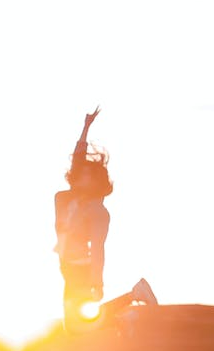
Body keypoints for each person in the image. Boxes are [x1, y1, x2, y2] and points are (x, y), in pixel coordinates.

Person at [54, 108, 156, 334]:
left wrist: (97, 282)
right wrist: (85, 127)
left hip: (80, 268)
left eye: (87, 175)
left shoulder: (97, 211)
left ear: (95, 181)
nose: (81, 176)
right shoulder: (66, 198)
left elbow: (98, 247)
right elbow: (78, 160)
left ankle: (133, 298)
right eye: (80, 174)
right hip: (67, 267)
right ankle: (125, 316)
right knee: (76, 325)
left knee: (75, 327)